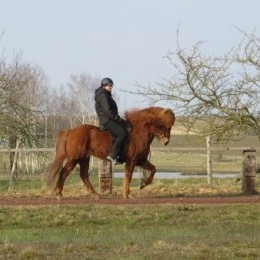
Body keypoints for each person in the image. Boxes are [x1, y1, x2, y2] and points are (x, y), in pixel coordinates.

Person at [94, 77, 128, 164]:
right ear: (104, 86)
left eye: (111, 86)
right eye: (109, 86)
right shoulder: (103, 96)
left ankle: (119, 156)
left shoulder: (105, 94)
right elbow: (108, 111)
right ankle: (112, 155)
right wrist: (118, 119)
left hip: (108, 119)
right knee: (123, 133)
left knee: (120, 133)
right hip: (107, 120)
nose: (111, 87)